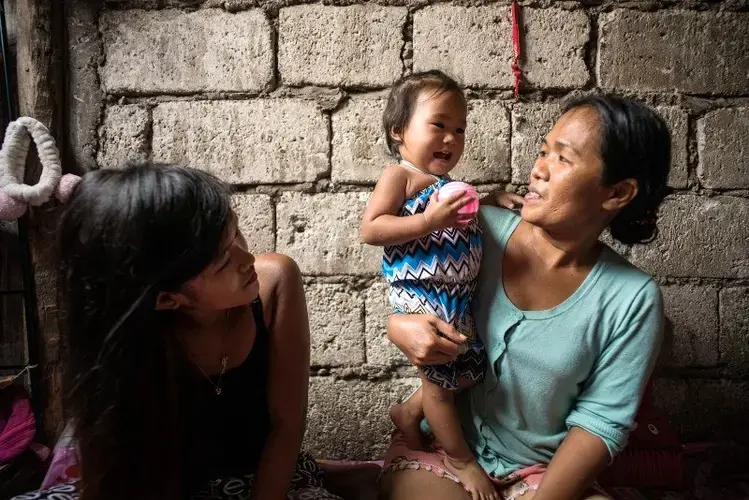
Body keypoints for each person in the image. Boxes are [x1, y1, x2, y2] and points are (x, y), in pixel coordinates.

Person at [380, 93, 670, 500]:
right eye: (543, 151)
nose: (538, 169)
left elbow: (600, 425)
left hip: (540, 471)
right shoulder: (476, 229)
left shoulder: (631, 298)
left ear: (617, 193)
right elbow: (410, 280)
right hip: (444, 450)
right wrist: (398, 326)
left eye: (562, 159)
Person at [13, 164, 341, 500]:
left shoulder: (275, 282)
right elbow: (126, 462)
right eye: (223, 261)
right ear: (167, 298)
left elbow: (286, 426)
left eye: (236, 234)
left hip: (259, 481)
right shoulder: (125, 336)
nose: (247, 259)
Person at [360, 70, 521, 500]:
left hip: (456, 295)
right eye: (438, 125)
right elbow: (372, 229)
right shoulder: (401, 178)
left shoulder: (448, 186)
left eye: (459, 129)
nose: (450, 138)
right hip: (423, 295)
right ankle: (460, 459)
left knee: (465, 372)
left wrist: (489, 199)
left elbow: (462, 216)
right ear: (399, 131)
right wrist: (429, 220)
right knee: (440, 385)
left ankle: (408, 413)